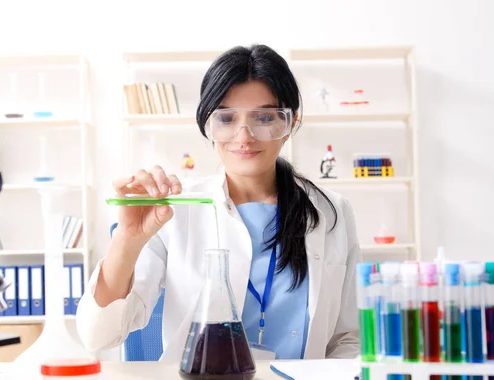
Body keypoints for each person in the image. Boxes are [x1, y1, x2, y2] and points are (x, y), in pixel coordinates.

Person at [76, 44, 362, 362]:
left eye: (265, 117)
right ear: (208, 126)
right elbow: (97, 336)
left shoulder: (332, 213)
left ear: (290, 123)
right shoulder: (175, 211)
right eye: (226, 118)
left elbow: (348, 338)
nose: (244, 136)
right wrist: (127, 241)